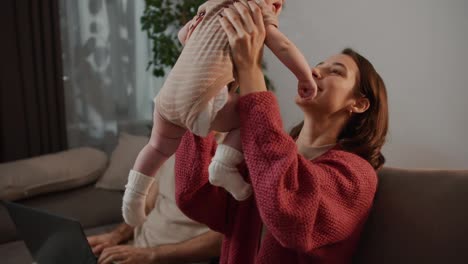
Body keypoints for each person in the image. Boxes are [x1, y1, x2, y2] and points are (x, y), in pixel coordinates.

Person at [174, 0, 389, 263]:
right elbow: (195, 198)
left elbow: (290, 215)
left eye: (335, 72)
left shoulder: (357, 176)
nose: (315, 71)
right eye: (319, 64)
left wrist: (251, 68)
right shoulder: (260, 152)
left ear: (359, 103)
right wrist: (204, 86)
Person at [122, 0, 319, 227]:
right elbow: (282, 45)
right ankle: (223, 166)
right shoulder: (254, 7)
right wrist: (304, 76)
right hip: (202, 96)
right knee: (251, 114)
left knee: (157, 148)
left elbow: (183, 35)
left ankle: (133, 196)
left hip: (169, 94)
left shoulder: (211, 4)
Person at [87, 156, 223, 264]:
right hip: (133, 249)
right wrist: (116, 236)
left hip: (174, 259)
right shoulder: (174, 140)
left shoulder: (234, 156)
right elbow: (146, 206)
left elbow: (228, 238)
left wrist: (152, 255)